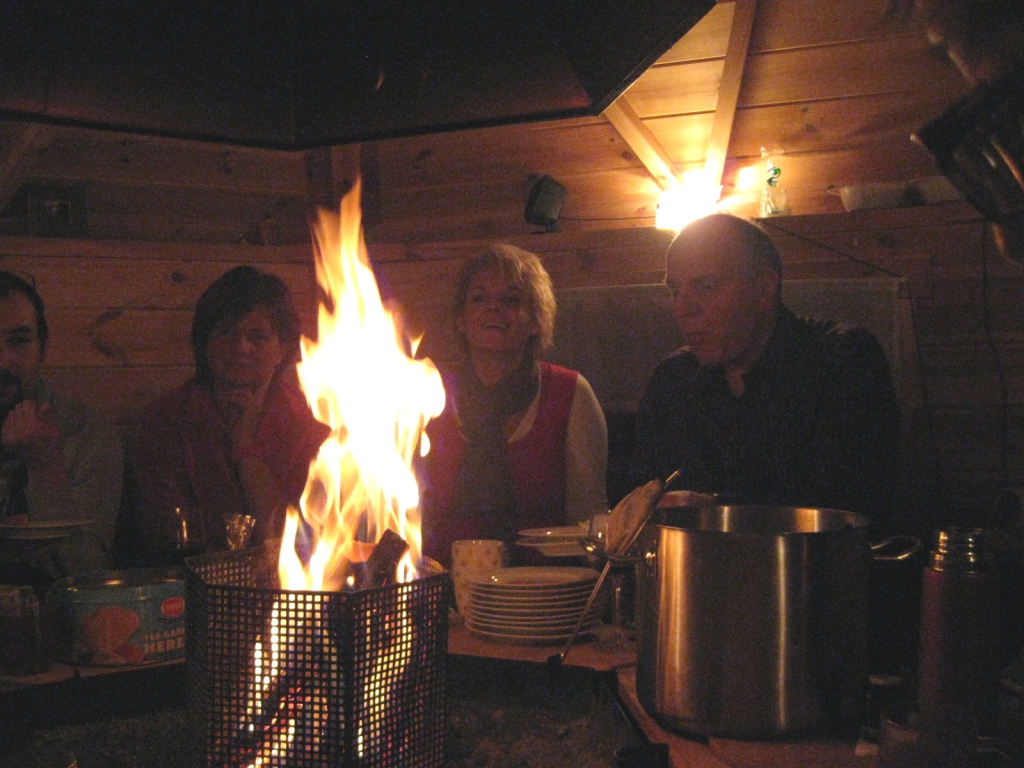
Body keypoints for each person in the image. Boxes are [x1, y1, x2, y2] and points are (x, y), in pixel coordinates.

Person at [627, 214, 901, 532]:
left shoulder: (841, 360)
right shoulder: (672, 381)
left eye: (705, 286)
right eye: (675, 290)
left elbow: (850, 513)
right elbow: (635, 505)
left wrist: (714, 509)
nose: (682, 308)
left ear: (764, 289)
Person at [421, 244, 608, 566]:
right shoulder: (427, 394)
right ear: (460, 319)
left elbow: (590, 520)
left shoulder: (570, 393)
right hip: (443, 583)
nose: (493, 308)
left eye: (511, 299)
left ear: (536, 319)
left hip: (545, 584)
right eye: (478, 298)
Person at [130, 266, 329, 563]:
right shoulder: (169, 417)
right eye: (226, 332)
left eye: (257, 336)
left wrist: (246, 448)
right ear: (205, 343)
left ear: (282, 348)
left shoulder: (306, 424)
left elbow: (297, 542)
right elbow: (164, 531)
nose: (240, 347)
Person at [0, 271, 123, 586]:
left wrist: (46, 465)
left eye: (19, 341)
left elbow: (89, 577)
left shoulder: (86, 432)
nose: (3, 361)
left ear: (43, 349)